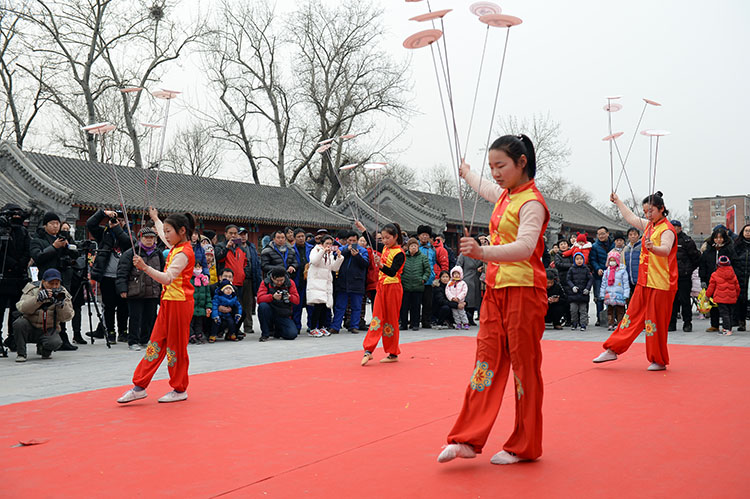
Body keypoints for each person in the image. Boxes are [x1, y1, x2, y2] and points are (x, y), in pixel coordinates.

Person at [439, 134, 549, 466]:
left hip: (525, 292)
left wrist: (482, 252)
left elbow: (526, 247)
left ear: (521, 163)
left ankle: (525, 444)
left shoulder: (532, 203)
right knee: (485, 363)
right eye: (492, 167)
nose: (496, 173)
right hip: (495, 290)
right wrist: (468, 172)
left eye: (501, 165)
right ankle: (468, 439)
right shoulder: (505, 196)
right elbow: (484, 188)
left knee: (524, 368)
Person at [116, 210, 196, 404]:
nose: (165, 235)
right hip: (168, 302)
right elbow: (160, 230)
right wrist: (155, 218)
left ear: (182, 231)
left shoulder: (184, 253)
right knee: (155, 344)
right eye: (166, 231)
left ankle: (179, 388)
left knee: (175, 349)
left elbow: (167, 278)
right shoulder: (176, 246)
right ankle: (139, 386)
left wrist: (145, 268)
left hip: (180, 304)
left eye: (169, 231)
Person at [594, 192, 677, 371]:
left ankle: (659, 359)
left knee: (655, 322)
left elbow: (666, 249)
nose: (648, 214)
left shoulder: (667, 229)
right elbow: (630, 217)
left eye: (651, 211)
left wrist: (653, 248)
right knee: (630, 317)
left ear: (661, 209)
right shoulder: (649, 225)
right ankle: (613, 349)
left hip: (661, 283)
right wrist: (618, 201)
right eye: (646, 211)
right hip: (644, 281)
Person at [30, 212, 80, 350]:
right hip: (47, 280)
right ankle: (44, 340)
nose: (55, 226)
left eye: (57, 223)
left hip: (63, 279)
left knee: (61, 305)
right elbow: (37, 256)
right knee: (46, 308)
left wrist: (69, 246)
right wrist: (54, 247)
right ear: (45, 225)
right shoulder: (37, 239)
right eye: (52, 223)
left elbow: (76, 254)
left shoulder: (64, 237)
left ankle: (63, 337)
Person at [85, 209, 132, 343]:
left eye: (122, 220)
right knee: (109, 306)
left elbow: (127, 243)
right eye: (117, 219)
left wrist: (117, 229)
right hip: (107, 276)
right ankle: (110, 332)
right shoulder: (104, 233)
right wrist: (103, 213)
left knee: (124, 307)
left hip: (123, 277)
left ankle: (123, 332)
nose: (118, 222)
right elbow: (90, 224)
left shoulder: (129, 233)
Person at [361, 223, 405, 365]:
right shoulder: (385, 248)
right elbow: (372, 243)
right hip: (381, 287)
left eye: (387, 238)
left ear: (395, 237)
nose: (384, 241)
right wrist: (362, 228)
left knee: (391, 320)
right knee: (377, 317)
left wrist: (380, 265)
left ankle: (393, 353)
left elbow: (392, 271)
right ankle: (368, 350)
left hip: (393, 288)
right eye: (383, 238)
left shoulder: (400, 253)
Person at [116, 226, 165, 350]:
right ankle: (133, 341)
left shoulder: (158, 253)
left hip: (153, 290)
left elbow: (163, 271)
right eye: (146, 237)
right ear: (140, 238)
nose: (149, 240)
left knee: (150, 317)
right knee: (135, 317)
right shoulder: (131, 253)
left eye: (152, 238)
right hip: (135, 289)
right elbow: (122, 271)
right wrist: (122, 289)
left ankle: (145, 339)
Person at [13, 268, 74, 362]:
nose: (54, 286)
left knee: (55, 343)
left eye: (56, 284)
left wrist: (61, 305)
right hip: (30, 326)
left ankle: (44, 349)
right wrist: (37, 299)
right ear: (44, 282)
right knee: (19, 323)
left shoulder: (63, 293)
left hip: (48, 328)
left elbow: (66, 318)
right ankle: (21, 353)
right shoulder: (32, 288)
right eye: (51, 283)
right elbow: (22, 307)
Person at [0, 203, 30, 352]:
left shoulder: (24, 232)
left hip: (19, 278)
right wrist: (12, 264)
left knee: (16, 310)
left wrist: (20, 264)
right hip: (3, 276)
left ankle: (12, 337)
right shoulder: (2, 231)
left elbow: (28, 250)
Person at [699, 225, 736, 332]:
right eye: (716, 238)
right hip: (711, 281)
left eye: (721, 238)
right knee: (713, 303)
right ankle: (714, 324)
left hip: (725, 282)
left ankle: (727, 325)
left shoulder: (729, 250)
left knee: (725, 305)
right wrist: (703, 280)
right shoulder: (707, 251)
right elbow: (702, 266)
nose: (718, 240)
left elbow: (735, 264)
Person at [331, 231, 369, 334]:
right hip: (343, 281)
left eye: (354, 240)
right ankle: (335, 326)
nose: (352, 242)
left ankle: (354, 326)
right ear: (346, 241)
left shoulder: (363, 251)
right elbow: (335, 256)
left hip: (357, 282)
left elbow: (365, 264)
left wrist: (357, 256)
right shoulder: (342, 249)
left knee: (356, 306)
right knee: (340, 306)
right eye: (350, 240)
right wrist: (347, 251)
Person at [306, 235, 343, 337]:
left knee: (324, 307)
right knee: (317, 306)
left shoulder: (330, 254)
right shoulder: (316, 250)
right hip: (316, 282)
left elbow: (334, 268)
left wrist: (339, 257)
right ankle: (313, 328)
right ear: (322, 244)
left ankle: (322, 327)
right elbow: (314, 261)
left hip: (325, 283)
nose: (329, 246)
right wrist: (323, 251)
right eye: (327, 243)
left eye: (331, 244)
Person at [669, 220, 700, 332]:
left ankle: (687, 323)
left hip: (683, 276)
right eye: (671, 227)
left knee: (685, 301)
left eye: (676, 227)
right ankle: (671, 323)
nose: (673, 229)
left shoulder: (687, 241)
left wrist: (688, 270)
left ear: (680, 228)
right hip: (670, 276)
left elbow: (696, 258)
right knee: (671, 301)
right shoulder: (666, 240)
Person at [257, 267, 300, 342]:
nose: (279, 283)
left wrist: (289, 297)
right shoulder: (265, 283)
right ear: (272, 278)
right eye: (277, 281)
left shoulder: (290, 283)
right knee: (262, 306)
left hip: (283, 313)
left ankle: (277, 331)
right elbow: (259, 299)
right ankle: (265, 333)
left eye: (282, 280)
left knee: (292, 334)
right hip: (270, 312)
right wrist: (272, 297)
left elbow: (297, 300)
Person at [400, 237, 430, 331]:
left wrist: (424, 279)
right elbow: (400, 270)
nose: (413, 248)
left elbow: (427, 270)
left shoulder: (423, 257)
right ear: (408, 247)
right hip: (405, 285)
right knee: (404, 306)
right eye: (412, 246)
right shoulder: (404, 257)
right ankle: (403, 324)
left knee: (416, 306)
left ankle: (415, 324)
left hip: (418, 286)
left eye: (415, 246)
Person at [706, 255, 740, 335]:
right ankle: (729, 328)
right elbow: (737, 287)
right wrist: (736, 296)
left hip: (721, 298)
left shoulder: (715, 274)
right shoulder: (733, 275)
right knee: (730, 313)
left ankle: (726, 329)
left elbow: (711, 287)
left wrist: (707, 295)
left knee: (724, 313)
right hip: (732, 298)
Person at [237, 227, 262, 335]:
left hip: (249, 279)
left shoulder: (251, 246)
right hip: (237, 279)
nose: (243, 236)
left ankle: (248, 326)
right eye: (240, 234)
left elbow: (256, 263)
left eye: (244, 234)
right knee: (237, 303)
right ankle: (235, 327)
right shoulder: (234, 246)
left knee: (248, 304)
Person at [599, 250, 630, 331]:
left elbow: (626, 283)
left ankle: (620, 323)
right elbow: (603, 283)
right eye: (610, 260)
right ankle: (611, 323)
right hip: (609, 294)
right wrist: (602, 294)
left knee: (620, 310)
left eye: (614, 260)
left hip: (619, 293)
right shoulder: (607, 271)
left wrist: (626, 294)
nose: (612, 262)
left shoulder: (622, 271)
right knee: (610, 310)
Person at [590, 226, 614, 327]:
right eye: (599, 234)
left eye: (603, 233)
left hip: (612, 274)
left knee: (611, 297)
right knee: (599, 297)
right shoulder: (595, 246)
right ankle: (599, 318)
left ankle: (611, 318)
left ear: (608, 234)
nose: (601, 236)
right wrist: (597, 269)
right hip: (599, 275)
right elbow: (593, 259)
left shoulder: (613, 244)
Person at [417, 225, 438, 329]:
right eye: (422, 235)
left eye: (427, 235)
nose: (425, 237)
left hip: (429, 280)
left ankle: (426, 321)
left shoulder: (432, 249)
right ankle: (415, 321)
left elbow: (433, 262)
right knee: (416, 302)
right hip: (417, 279)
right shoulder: (415, 247)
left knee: (427, 302)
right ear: (419, 236)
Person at [457, 246, 483, 326]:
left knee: (475, 300)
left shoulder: (480, 255)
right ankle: (465, 318)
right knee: (467, 299)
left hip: (476, 280)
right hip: (466, 280)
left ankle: (471, 318)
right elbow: (458, 266)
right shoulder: (463, 255)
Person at [567, 252, 593, 331]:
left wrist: (587, 288)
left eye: (581, 259)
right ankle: (574, 323)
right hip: (573, 294)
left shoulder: (586, 269)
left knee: (583, 310)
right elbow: (568, 279)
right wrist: (572, 287)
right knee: (573, 310)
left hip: (583, 294)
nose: (579, 261)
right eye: (577, 259)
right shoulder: (571, 269)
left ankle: (583, 324)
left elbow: (590, 279)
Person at [291, 228, 309, 332]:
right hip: (297, 281)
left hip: (309, 281)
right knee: (297, 306)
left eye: (302, 236)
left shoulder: (311, 248)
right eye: (298, 237)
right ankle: (297, 326)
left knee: (310, 306)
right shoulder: (291, 250)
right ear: (294, 238)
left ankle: (311, 326)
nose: (301, 238)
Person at [733, 224, 750, 331]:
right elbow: (733, 260)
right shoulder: (737, 245)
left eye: (749, 231)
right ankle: (741, 321)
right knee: (741, 300)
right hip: (739, 276)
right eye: (746, 230)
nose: (748, 232)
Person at [189, 262, 211, 344]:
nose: (197, 269)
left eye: (199, 267)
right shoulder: (189, 280)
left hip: (201, 307)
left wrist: (208, 306)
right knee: (190, 322)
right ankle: (191, 335)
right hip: (191, 307)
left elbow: (208, 295)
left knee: (199, 322)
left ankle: (199, 334)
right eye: (195, 267)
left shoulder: (204, 280)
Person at [623, 227, 642, 292]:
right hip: (629, 280)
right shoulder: (626, 249)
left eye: (635, 234)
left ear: (638, 236)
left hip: (640, 280)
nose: (633, 236)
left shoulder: (642, 247)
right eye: (630, 235)